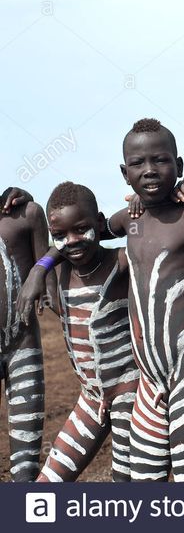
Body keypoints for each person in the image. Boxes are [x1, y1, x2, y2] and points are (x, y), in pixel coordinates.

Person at [21, 119, 184, 481]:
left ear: (179, 165)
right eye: (138, 164)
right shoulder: (122, 226)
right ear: (125, 173)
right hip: (120, 386)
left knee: (168, 479)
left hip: (166, 376)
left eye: (160, 161)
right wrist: (40, 268)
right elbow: (74, 238)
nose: (149, 171)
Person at [34, 182, 138, 482]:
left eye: (82, 229)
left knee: (125, 480)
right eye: (61, 236)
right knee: (47, 483)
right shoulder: (58, 272)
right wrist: (39, 268)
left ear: (99, 222)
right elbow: (46, 240)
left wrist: (116, 220)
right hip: (90, 397)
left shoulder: (120, 263)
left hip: (128, 394)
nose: (72, 240)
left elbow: (138, 224)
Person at [0, 187, 49, 481]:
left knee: (25, 463)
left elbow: (49, 269)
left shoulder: (25, 214)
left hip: (23, 348)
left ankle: (22, 516)